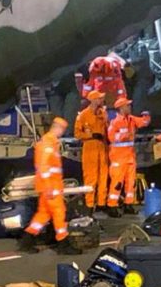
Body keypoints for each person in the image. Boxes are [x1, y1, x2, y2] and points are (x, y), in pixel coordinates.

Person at [18, 117, 81, 255]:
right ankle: (63, 243)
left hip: (49, 187)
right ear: (57, 127)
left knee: (43, 215)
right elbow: (44, 168)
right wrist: (49, 187)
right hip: (51, 187)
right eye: (62, 129)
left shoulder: (50, 143)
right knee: (59, 213)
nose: (63, 132)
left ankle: (27, 240)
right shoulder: (48, 144)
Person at [106, 98, 151, 217]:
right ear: (121, 108)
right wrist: (125, 135)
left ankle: (128, 204)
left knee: (131, 183)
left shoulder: (131, 119)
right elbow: (111, 137)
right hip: (118, 158)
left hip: (130, 158)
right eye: (127, 106)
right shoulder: (115, 122)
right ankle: (112, 205)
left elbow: (143, 122)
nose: (129, 108)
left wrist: (146, 116)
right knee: (117, 183)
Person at [74, 90, 109, 213]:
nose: (101, 101)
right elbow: (77, 134)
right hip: (90, 149)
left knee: (103, 177)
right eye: (99, 99)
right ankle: (89, 204)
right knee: (91, 177)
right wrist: (91, 135)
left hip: (102, 148)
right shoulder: (83, 115)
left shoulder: (103, 113)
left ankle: (101, 203)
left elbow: (107, 129)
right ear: (93, 100)